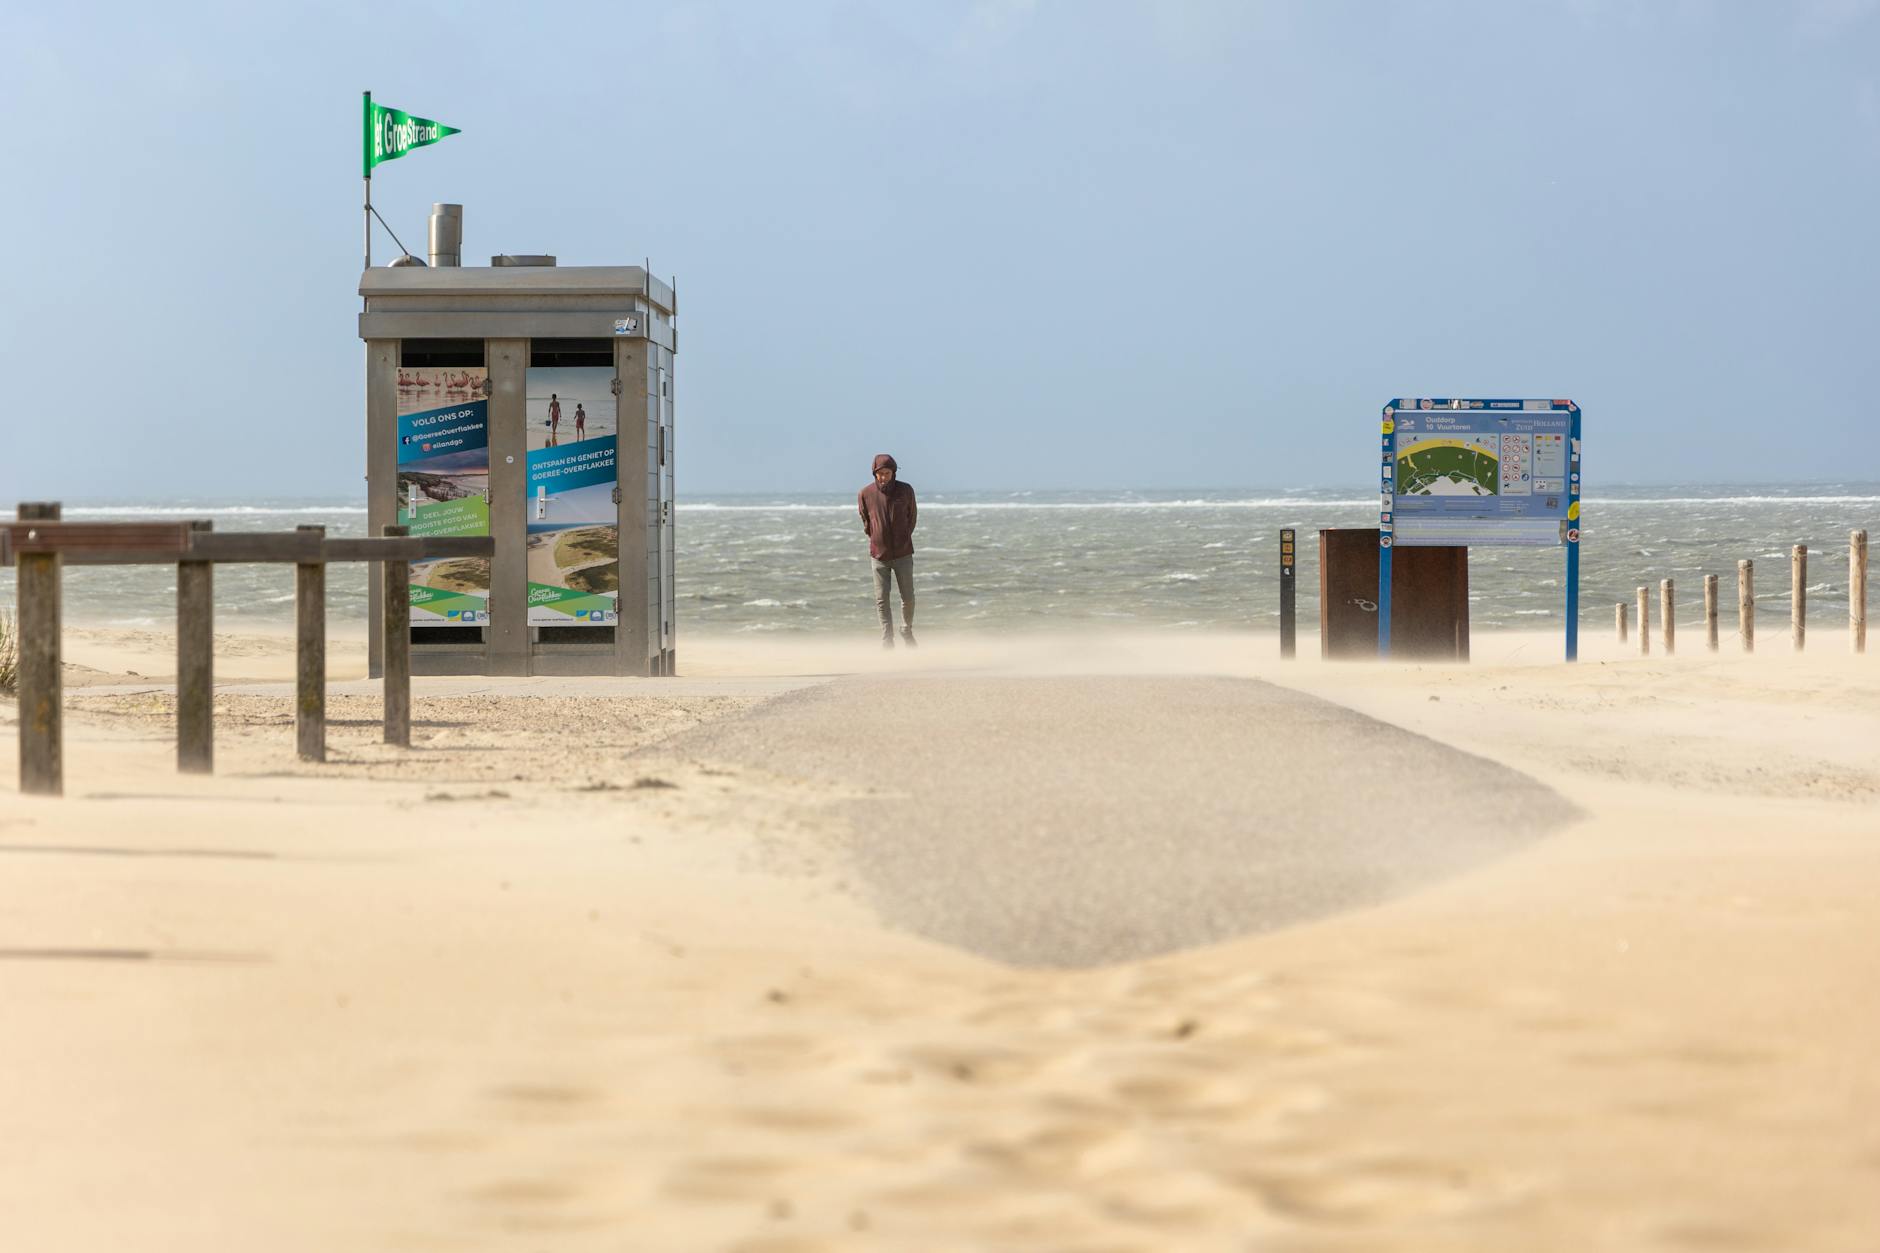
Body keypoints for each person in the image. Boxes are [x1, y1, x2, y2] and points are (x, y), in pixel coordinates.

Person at [857, 453, 917, 647]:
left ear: (894, 472)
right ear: (874, 474)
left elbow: (912, 517)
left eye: (887, 473)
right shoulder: (865, 493)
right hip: (879, 555)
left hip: (903, 553)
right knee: (881, 599)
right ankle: (887, 638)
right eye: (880, 473)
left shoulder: (905, 490)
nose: (883, 477)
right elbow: (866, 521)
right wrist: (876, 538)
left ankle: (906, 629)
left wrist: (903, 538)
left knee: (908, 597)